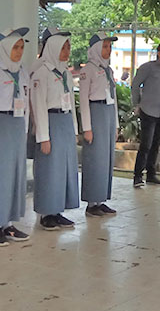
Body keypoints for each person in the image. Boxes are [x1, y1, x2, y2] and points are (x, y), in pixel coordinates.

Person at [0, 27, 32, 245]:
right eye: (14, 48)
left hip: (18, 126)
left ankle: (9, 223)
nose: (19, 52)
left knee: (15, 175)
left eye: (21, 47)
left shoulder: (23, 73)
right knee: (0, 175)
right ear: (4, 49)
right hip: (0, 124)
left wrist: (25, 131)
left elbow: (27, 104)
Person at [30, 28, 81, 230]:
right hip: (50, 121)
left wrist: (75, 130)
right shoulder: (42, 73)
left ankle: (57, 210)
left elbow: (72, 105)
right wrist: (43, 136)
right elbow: (39, 105)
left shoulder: (66, 74)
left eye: (68, 46)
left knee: (63, 169)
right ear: (52, 48)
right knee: (49, 169)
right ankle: (46, 213)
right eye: (63, 47)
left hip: (65, 122)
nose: (67, 50)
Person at [79, 32, 118, 217]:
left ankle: (101, 199)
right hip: (95, 112)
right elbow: (84, 100)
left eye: (109, 47)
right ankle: (91, 202)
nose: (108, 50)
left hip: (108, 113)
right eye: (104, 46)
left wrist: (116, 124)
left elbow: (114, 98)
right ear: (95, 48)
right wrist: (87, 127)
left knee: (106, 158)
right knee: (95, 158)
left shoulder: (108, 70)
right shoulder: (88, 70)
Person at [131, 41, 160, 188]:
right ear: (159, 53)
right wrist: (136, 104)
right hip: (148, 110)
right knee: (146, 144)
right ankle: (138, 175)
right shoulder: (148, 68)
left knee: (156, 144)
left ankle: (151, 174)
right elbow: (135, 84)